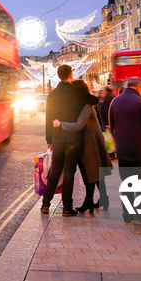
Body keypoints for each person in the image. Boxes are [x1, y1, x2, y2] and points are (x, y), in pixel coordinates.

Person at [55, 79, 113, 213]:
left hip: (90, 143)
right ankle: (100, 199)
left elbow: (79, 125)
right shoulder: (83, 104)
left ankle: (91, 201)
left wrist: (61, 124)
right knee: (93, 172)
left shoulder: (86, 105)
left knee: (90, 172)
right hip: (88, 141)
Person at [109, 76, 141, 233]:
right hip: (139, 149)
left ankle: (128, 215)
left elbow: (112, 126)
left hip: (122, 150)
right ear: (138, 87)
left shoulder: (115, 102)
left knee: (128, 184)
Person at [42, 64, 88, 216]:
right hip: (73, 137)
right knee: (69, 171)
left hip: (57, 136)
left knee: (55, 169)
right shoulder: (77, 92)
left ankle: (45, 205)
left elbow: (48, 119)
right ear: (70, 75)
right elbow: (91, 103)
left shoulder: (52, 95)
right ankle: (67, 208)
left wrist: (49, 139)